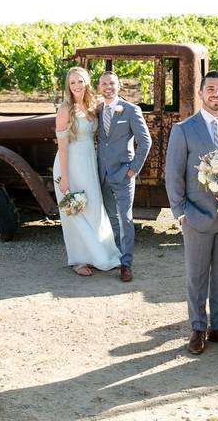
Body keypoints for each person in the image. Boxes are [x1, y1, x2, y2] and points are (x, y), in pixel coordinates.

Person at [165, 71, 218, 355]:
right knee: (197, 276)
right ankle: (198, 327)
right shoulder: (184, 129)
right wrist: (180, 212)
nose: (216, 94)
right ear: (201, 93)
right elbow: (173, 174)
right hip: (196, 215)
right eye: (210, 89)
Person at [52, 68, 121, 276]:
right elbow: (62, 147)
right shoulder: (65, 109)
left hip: (89, 162)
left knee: (93, 208)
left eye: (80, 81)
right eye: (72, 83)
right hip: (70, 163)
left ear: (87, 82)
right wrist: (64, 177)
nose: (76, 86)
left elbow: (113, 98)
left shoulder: (93, 104)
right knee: (75, 210)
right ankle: (79, 260)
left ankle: (99, 254)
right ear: (68, 86)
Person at [96, 71, 152, 283]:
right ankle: (115, 256)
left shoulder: (131, 110)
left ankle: (126, 263)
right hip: (102, 174)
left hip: (123, 173)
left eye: (111, 83)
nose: (108, 87)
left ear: (119, 86)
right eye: (103, 84)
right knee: (111, 218)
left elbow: (145, 142)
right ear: (99, 87)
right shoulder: (98, 110)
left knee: (125, 218)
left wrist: (133, 170)